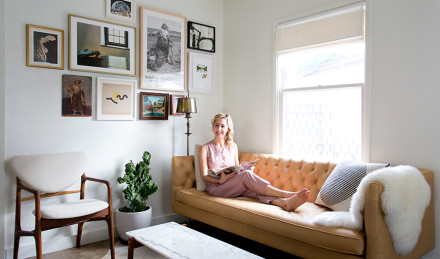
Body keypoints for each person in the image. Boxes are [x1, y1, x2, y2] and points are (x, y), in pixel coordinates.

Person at [199, 113, 310, 212]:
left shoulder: (233, 147)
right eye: (216, 125)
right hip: (216, 188)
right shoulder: (204, 148)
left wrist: (244, 169)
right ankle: (286, 194)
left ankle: (285, 203)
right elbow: (204, 177)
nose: (219, 129)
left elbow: (236, 169)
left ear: (228, 129)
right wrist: (220, 181)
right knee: (247, 177)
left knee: (253, 188)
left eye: (222, 126)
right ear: (212, 126)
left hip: (232, 184)